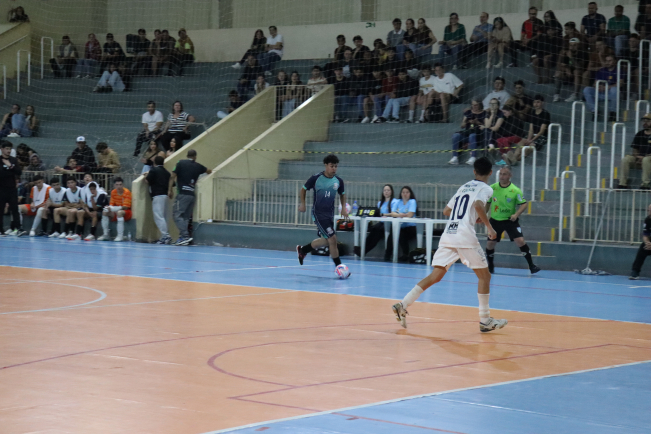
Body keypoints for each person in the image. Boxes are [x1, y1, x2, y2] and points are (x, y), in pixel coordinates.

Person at [391, 157, 507, 333]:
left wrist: (465, 214)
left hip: (449, 234)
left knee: (435, 276)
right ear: (491, 172)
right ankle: (485, 320)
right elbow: (478, 205)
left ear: (474, 171)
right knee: (485, 276)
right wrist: (489, 227)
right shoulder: (486, 188)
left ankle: (403, 304)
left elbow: (446, 211)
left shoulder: (464, 187)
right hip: (464, 236)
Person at [296, 154, 348, 274]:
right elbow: (303, 189)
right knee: (333, 239)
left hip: (329, 214)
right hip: (318, 214)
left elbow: (342, 194)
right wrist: (303, 204)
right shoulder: (316, 178)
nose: (334, 169)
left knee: (326, 240)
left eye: (336, 166)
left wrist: (344, 208)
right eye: (331, 166)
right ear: (326, 165)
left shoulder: (338, 181)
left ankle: (303, 250)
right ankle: (339, 267)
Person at [486, 166, 540, 274]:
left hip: (510, 221)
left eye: (504, 174)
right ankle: (490, 265)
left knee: (520, 241)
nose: (502, 176)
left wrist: (516, 214)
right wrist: (483, 215)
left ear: (510, 176)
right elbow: (488, 202)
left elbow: (524, 204)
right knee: (490, 244)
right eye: (500, 174)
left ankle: (532, 266)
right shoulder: (492, 188)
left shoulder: (515, 190)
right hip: (495, 220)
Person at [168, 149, 211, 245]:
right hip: (192, 194)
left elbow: (172, 176)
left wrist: (169, 189)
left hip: (182, 194)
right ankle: (183, 238)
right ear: (195, 157)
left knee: (176, 214)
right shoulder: (198, 166)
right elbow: (209, 171)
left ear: (187, 156)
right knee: (185, 217)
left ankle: (184, 236)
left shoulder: (180, 163)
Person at [354, 184, 398, 260]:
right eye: (385, 190)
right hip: (382, 222)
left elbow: (393, 213)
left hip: (390, 223)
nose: (386, 192)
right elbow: (377, 213)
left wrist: (384, 214)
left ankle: (364, 250)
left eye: (388, 190)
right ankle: (362, 248)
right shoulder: (380, 203)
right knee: (374, 229)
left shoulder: (395, 201)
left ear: (391, 192)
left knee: (379, 231)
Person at [504, 95, 550, 165]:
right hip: (532, 136)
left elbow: (542, 131)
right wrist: (528, 139)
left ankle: (513, 160)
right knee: (521, 142)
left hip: (541, 137)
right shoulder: (532, 113)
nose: (536, 104)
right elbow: (531, 129)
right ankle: (514, 158)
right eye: (535, 102)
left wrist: (531, 140)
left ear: (542, 103)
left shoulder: (545, 114)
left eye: (538, 102)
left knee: (529, 147)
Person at [449, 97, 487, 165]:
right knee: (456, 135)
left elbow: (486, 125)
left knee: (472, 136)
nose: (474, 107)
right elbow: (462, 126)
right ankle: (455, 157)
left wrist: (477, 123)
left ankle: (473, 157)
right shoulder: (468, 112)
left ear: (480, 105)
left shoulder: (484, 113)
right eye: (473, 105)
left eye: (476, 105)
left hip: (478, 135)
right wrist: (467, 122)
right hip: (468, 133)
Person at [618, 113, 651, 189]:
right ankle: (622, 183)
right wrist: (637, 157)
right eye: (644, 121)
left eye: (648, 121)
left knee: (646, 160)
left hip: (648, 159)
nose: (645, 123)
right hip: (640, 159)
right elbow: (635, 149)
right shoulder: (639, 134)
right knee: (626, 159)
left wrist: (644, 157)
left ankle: (645, 184)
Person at [145, 155, 172, 244]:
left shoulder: (154, 170)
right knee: (164, 217)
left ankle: (165, 236)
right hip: (165, 196)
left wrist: (146, 175)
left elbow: (147, 180)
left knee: (158, 217)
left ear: (155, 163)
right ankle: (164, 236)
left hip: (157, 195)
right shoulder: (167, 172)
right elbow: (172, 183)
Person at [583, 54, 619, 119]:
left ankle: (613, 112)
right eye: (606, 61)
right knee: (587, 89)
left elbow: (620, 83)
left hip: (610, 94)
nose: (607, 62)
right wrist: (598, 87)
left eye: (610, 61)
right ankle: (594, 111)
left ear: (614, 61)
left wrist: (606, 87)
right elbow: (595, 83)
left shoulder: (618, 70)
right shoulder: (602, 70)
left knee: (614, 89)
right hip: (600, 93)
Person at [553, 37, 589, 102]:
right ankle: (556, 95)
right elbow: (559, 66)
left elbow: (579, 67)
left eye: (574, 45)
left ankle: (575, 95)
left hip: (579, 76)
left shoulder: (583, 53)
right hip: (568, 75)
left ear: (578, 45)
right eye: (571, 45)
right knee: (558, 73)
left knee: (576, 71)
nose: (572, 47)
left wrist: (571, 57)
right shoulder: (566, 52)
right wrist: (566, 68)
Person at [387, 186, 418, 262]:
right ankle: (388, 254)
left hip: (410, 227)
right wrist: (400, 215)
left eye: (407, 192)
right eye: (403, 192)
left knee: (400, 233)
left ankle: (405, 254)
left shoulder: (412, 201)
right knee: (393, 232)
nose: (405, 194)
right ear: (401, 194)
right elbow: (392, 213)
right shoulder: (398, 202)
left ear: (410, 193)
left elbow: (410, 214)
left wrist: (399, 215)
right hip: (400, 226)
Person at [99, 177, 132, 242]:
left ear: (123, 185)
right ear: (114, 185)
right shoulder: (113, 192)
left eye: (120, 184)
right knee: (105, 212)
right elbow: (111, 204)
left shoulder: (127, 192)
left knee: (119, 212)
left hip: (126, 212)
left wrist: (114, 208)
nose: (119, 186)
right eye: (117, 185)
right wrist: (109, 208)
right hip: (116, 210)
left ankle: (120, 236)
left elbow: (126, 207)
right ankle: (106, 234)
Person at [0, 142, 21, 236]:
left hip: (12, 188)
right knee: (1, 209)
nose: (8, 151)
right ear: (2, 149)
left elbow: (19, 172)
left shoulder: (13, 160)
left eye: (10, 149)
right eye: (7, 148)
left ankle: (18, 228)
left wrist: (10, 166)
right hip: (1, 189)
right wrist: (11, 171)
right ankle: (1, 230)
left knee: (15, 209)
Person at [629, 204, 651, 279]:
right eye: (649, 210)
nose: (649, 212)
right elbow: (645, 235)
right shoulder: (648, 220)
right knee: (643, 247)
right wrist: (647, 243)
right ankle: (635, 272)